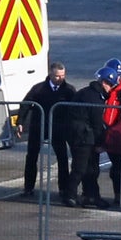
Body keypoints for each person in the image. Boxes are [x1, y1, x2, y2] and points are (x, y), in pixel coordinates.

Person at [16, 61, 76, 199]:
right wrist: (20, 122)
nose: (60, 79)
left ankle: (63, 189)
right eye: (57, 76)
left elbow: (76, 108)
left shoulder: (69, 90)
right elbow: (25, 104)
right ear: (50, 74)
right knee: (31, 157)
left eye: (62, 76)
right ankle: (28, 188)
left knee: (62, 158)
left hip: (58, 129)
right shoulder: (39, 89)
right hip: (39, 126)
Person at [63, 66, 119, 209]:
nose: (110, 88)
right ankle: (70, 195)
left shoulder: (88, 93)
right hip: (83, 137)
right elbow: (96, 123)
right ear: (103, 82)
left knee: (92, 169)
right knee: (80, 168)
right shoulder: (95, 98)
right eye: (110, 84)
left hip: (83, 136)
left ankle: (92, 196)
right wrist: (101, 143)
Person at [102, 58, 121, 205]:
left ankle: (119, 195)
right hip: (102, 131)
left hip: (115, 134)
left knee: (118, 167)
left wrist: (119, 133)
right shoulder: (103, 89)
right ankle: (89, 193)